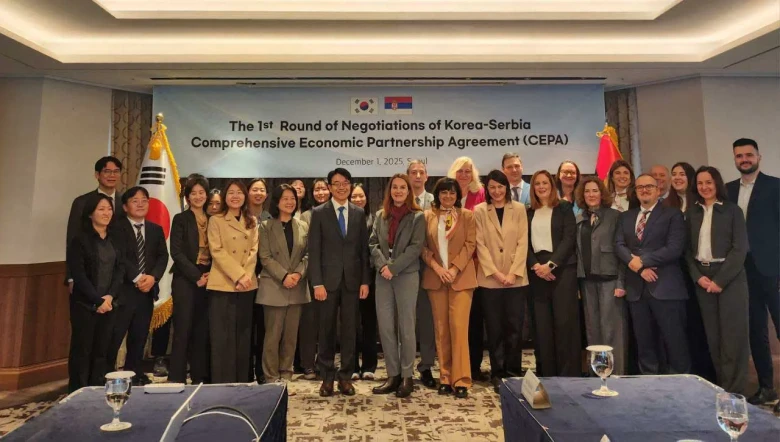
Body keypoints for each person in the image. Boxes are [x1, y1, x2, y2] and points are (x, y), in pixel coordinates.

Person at [616, 174, 690, 375]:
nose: (644, 190)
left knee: (675, 343)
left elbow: (674, 248)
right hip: (636, 290)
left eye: (649, 186)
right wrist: (638, 267)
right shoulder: (626, 217)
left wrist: (643, 261)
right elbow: (619, 244)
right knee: (644, 345)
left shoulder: (673, 215)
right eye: (640, 187)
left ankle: (680, 384)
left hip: (666, 288)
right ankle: (648, 385)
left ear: (658, 190)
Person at [726, 138, 780, 408]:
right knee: (756, 332)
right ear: (734, 159)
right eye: (739, 156)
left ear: (759, 156)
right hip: (743, 273)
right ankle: (767, 388)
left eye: (749, 155)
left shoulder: (776, 186)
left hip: (773, 270)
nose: (744, 159)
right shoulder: (728, 190)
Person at [685, 166, 749, 393]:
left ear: (717, 184)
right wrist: (698, 278)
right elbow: (686, 251)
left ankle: (736, 393)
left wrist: (720, 281)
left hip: (730, 278)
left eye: (709, 182)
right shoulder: (692, 213)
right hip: (703, 279)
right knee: (714, 339)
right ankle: (722, 391)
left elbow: (740, 249)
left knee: (733, 338)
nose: (704, 187)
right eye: (700, 183)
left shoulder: (732, 211)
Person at [308, 168, 371, 397]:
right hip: (327, 282)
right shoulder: (319, 213)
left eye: (345, 183)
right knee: (326, 330)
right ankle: (327, 378)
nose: (341, 187)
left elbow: (363, 251)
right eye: (336, 183)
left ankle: (345, 377)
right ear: (330, 187)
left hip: (353, 282)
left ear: (350, 185)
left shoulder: (358, 213)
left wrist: (365, 281)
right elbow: (314, 250)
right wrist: (317, 283)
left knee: (350, 331)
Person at [369, 174, 426, 398]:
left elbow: (415, 248)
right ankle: (392, 375)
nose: (399, 191)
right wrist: (383, 266)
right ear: (389, 190)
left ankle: (407, 376)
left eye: (403, 187)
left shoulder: (417, 217)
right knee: (385, 327)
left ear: (409, 191)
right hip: (383, 276)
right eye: (395, 187)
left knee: (406, 327)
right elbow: (373, 244)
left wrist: (393, 267)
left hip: (406, 275)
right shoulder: (380, 215)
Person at [421, 178, 477, 399]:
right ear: (437, 194)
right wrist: (437, 268)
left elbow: (470, 245)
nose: (448, 196)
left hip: (461, 278)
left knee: (459, 329)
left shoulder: (467, 216)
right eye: (444, 192)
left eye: (452, 193)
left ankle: (461, 379)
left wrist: (454, 269)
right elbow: (422, 248)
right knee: (441, 329)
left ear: (457, 195)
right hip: (436, 279)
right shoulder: (427, 216)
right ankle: (445, 377)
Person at [108, 186, 169, 386]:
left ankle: (133, 375)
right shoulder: (116, 228)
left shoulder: (155, 229)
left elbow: (162, 256)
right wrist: (137, 277)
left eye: (144, 200)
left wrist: (153, 278)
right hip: (123, 291)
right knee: (115, 337)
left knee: (139, 336)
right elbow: (119, 256)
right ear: (125, 207)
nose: (140, 204)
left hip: (147, 292)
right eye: (135, 201)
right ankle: (105, 376)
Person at [474, 170, 529, 391]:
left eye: (500, 187)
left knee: (514, 327)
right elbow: (480, 245)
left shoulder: (519, 209)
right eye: (492, 187)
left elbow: (523, 242)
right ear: (487, 189)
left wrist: (513, 273)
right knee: (494, 328)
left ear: (507, 187)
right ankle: (497, 372)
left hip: (516, 279)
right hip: (490, 280)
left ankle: (513, 371)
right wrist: (496, 273)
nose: (496, 191)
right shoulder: (479, 211)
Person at [66, 193, 123, 392]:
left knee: (102, 352)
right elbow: (79, 275)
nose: (106, 213)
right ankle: (78, 393)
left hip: (109, 304)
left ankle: (97, 392)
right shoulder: (79, 240)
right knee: (83, 351)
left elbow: (120, 270)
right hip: (85, 305)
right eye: (101, 209)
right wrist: (97, 300)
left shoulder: (116, 239)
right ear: (90, 213)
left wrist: (110, 297)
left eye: (109, 209)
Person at [526, 170, 580, 377]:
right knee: (542, 325)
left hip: (562, 270)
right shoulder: (528, 212)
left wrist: (551, 265)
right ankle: (546, 373)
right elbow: (523, 242)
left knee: (564, 323)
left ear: (552, 185)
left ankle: (568, 374)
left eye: (545, 183)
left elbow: (569, 238)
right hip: (536, 272)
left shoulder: (564, 207)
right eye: (537, 183)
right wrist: (536, 266)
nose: (541, 187)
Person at [665, 161, 715, 382]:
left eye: (682, 174)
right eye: (674, 174)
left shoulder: (700, 203)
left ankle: (706, 372)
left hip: (699, 272)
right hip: (675, 272)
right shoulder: (666, 205)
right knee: (681, 324)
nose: (677, 177)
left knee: (700, 323)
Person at [574, 177, 628, 375]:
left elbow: (622, 251)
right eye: (587, 191)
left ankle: (616, 374)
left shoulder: (615, 216)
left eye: (595, 191)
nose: (591, 195)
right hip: (587, 281)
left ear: (602, 193)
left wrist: (621, 282)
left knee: (611, 331)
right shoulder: (580, 218)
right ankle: (596, 374)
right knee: (593, 331)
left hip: (610, 280)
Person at [206, 179, 258, 383]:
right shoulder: (216, 220)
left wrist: (246, 276)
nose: (235, 196)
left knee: (243, 335)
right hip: (223, 283)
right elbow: (216, 251)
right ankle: (222, 381)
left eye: (239, 193)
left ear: (245, 196)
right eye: (231, 193)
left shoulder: (251, 220)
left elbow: (254, 251)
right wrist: (238, 275)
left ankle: (242, 380)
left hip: (246, 285)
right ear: (225, 197)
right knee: (223, 336)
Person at [256, 184, 309, 382]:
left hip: (297, 286)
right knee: (272, 336)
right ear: (277, 202)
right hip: (274, 287)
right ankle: (271, 376)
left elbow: (309, 254)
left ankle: (286, 373)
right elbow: (265, 257)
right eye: (285, 198)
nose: (289, 202)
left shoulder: (303, 226)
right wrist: (284, 276)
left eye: (292, 198)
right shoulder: (266, 226)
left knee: (290, 337)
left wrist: (298, 274)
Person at [168, 175, 212, 384]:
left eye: (201, 192)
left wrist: (210, 274)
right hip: (186, 278)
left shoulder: (213, 219)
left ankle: (199, 376)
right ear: (187, 196)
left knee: (202, 329)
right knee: (183, 328)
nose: (198, 196)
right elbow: (176, 252)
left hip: (209, 277)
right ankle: (176, 377)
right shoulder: (181, 219)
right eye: (193, 193)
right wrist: (196, 276)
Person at [447, 156, 486, 379]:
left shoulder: (480, 194)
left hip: (476, 264)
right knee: (453, 319)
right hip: (449, 267)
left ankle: (474, 366)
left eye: (468, 171)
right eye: (460, 171)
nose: (464, 175)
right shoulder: (446, 194)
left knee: (474, 318)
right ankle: (454, 365)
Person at [66, 156, 126, 294]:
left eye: (116, 171)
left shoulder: (125, 202)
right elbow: (72, 239)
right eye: (107, 171)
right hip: (88, 275)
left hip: (119, 276)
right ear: (97, 175)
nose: (112, 175)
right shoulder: (81, 202)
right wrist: (70, 277)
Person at [407, 160, 438, 389]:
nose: (417, 176)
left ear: (427, 176)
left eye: (421, 172)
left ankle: (426, 366)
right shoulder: (400, 200)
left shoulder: (436, 203)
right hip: (405, 270)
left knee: (427, 321)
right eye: (413, 172)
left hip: (430, 269)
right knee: (404, 321)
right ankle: (404, 368)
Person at [297, 177, 331, 380]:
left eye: (324, 189)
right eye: (317, 189)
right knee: (309, 322)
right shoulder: (306, 216)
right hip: (311, 274)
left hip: (333, 275)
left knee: (328, 322)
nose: (321, 193)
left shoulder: (336, 212)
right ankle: (308, 364)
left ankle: (324, 362)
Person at [350, 183, 378, 380]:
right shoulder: (345, 219)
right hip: (349, 279)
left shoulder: (375, 220)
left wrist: (367, 278)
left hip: (371, 278)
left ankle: (369, 366)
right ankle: (351, 365)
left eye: (361, 196)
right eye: (354, 196)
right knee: (350, 324)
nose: (358, 199)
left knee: (369, 323)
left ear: (367, 198)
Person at [248, 178, 271, 384]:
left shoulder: (270, 218)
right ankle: (246, 370)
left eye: (262, 190)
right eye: (254, 189)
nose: (258, 193)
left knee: (263, 328)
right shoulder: (239, 216)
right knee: (247, 327)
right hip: (243, 279)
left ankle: (261, 370)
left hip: (266, 279)